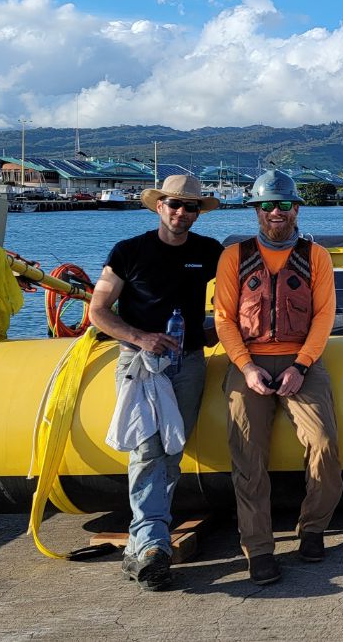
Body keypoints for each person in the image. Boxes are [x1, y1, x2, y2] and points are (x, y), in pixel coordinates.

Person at [89, 175, 222, 591]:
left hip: (189, 362)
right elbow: (98, 311)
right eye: (174, 205)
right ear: (159, 206)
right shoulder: (130, 252)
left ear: (199, 212)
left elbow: (237, 295)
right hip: (142, 365)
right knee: (148, 449)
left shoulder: (209, 252)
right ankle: (151, 546)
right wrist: (140, 337)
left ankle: (145, 544)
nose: (182, 213)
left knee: (172, 448)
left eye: (191, 207)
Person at [214, 170, 343, 585]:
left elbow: (324, 315)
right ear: (255, 209)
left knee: (323, 444)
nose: (275, 212)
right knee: (248, 458)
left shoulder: (315, 257)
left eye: (283, 204)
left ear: (296, 208)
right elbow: (224, 318)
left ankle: (313, 529)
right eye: (266, 205)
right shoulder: (234, 256)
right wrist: (246, 366)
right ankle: (259, 549)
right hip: (247, 362)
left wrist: (301, 365)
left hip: (301, 363)